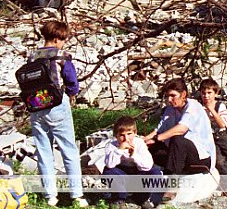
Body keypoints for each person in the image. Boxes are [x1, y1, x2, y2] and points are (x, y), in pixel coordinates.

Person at [28, 20, 88, 207]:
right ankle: (76, 195)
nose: (64, 43)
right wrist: (71, 95)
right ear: (56, 38)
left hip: (36, 104)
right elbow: (72, 81)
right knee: (68, 149)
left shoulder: (32, 56)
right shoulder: (62, 56)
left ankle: (50, 196)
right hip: (56, 103)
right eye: (63, 39)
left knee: (44, 151)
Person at [144, 78, 216, 177]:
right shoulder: (171, 108)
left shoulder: (193, 106)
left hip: (201, 158)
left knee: (177, 139)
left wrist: (157, 138)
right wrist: (143, 141)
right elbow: (160, 129)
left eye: (173, 96)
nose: (169, 99)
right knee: (151, 148)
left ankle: (171, 178)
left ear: (183, 94)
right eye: (168, 96)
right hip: (179, 155)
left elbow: (181, 129)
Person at [102, 116, 163, 209]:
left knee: (156, 172)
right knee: (108, 172)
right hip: (123, 175)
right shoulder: (112, 145)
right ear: (116, 135)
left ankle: (147, 200)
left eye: (129, 134)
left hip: (138, 173)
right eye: (122, 135)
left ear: (135, 133)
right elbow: (109, 164)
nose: (126, 138)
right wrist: (119, 150)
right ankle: (120, 198)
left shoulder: (139, 143)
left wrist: (133, 155)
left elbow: (147, 166)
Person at [198, 78, 227, 175]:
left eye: (209, 93)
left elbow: (222, 124)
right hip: (209, 138)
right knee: (220, 163)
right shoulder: (199, 108)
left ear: (216, 93)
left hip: (221, 136)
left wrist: (211, 110)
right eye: (203, 93)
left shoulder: (220, 106)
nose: (206, 96)